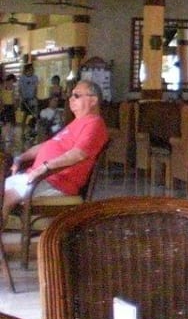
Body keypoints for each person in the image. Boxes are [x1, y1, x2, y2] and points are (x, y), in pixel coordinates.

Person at [2, 79, 109, 219]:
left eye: (76, 95)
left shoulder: (94, 124)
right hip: (38, 177)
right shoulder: (76, 123)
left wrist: (44, 168)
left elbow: (78, 154)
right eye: (70, 95)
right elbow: (45, 146)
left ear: (93, 100)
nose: (70, 99)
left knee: (7, 194)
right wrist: (20, 158)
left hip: (54, 182)